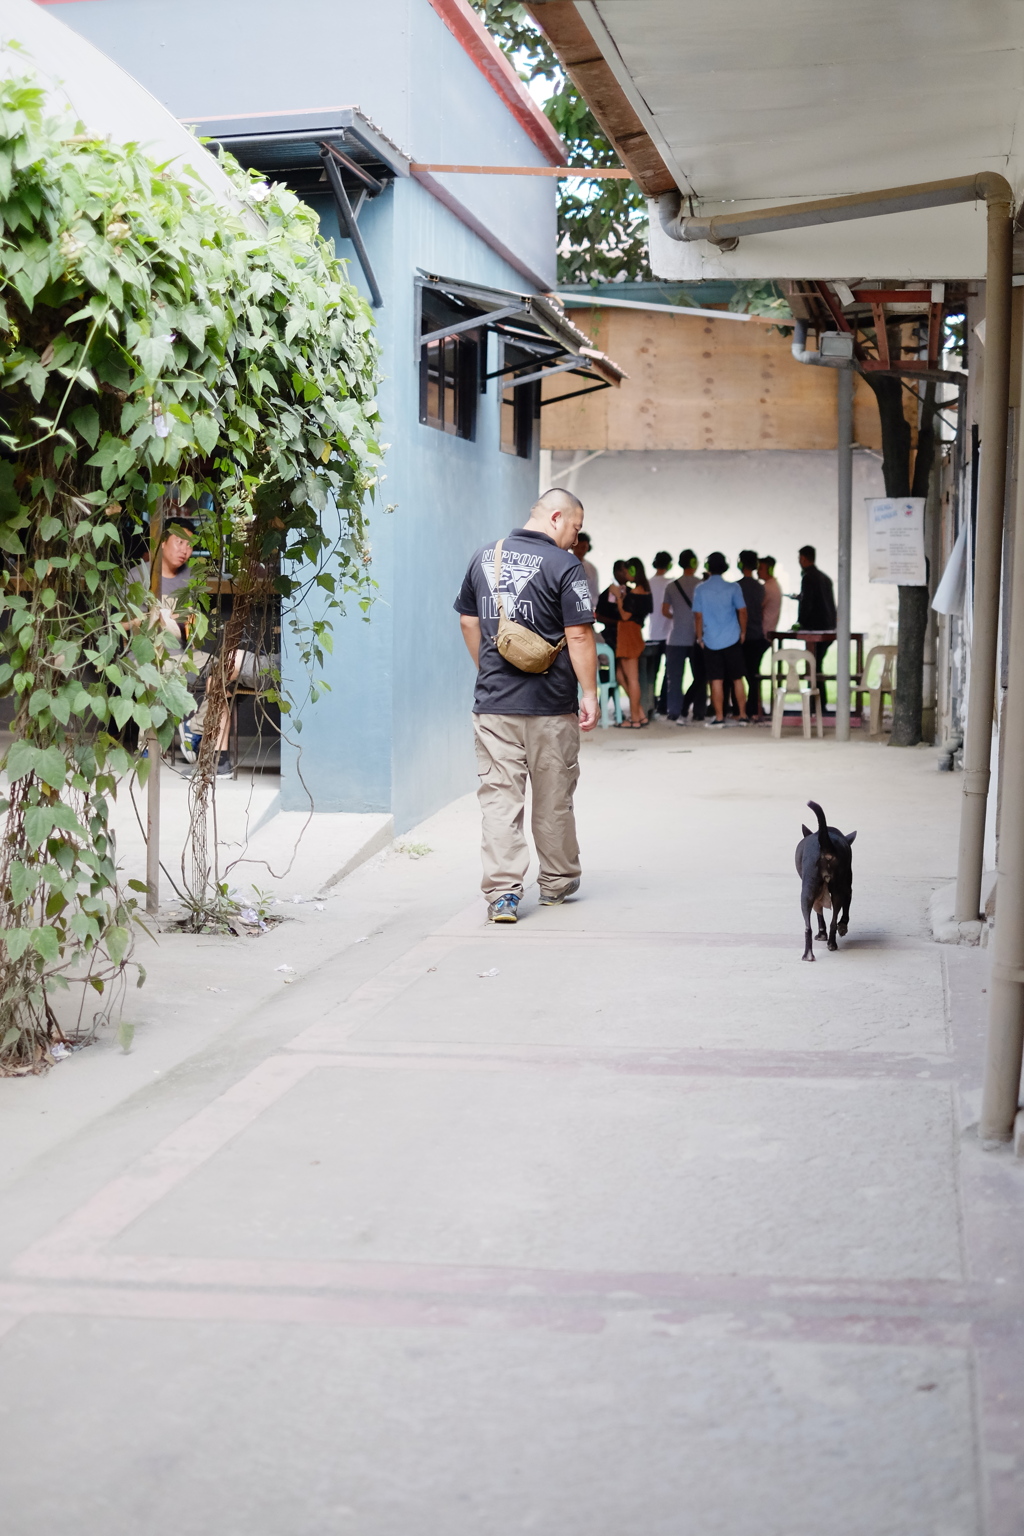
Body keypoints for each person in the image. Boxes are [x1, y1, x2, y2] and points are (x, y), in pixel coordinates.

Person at [454, 487, 598, 924]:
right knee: (554, 796)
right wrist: (589, 693)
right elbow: (578, 634)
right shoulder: (565, 565)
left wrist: (489, 672)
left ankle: (502, 894)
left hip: (494, 705)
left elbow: (467, 619)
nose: (576, 537)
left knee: (499, 799)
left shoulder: (485, 556)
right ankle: (555, 883)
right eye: (575, 527)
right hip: (550, 707)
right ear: (556, 517)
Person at [692, 551, 749, 728]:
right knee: (737, 678)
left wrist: (700, 637)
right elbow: (742, 611)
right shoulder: (734, 588)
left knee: (716, 680)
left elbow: (698, 616)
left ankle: (719, 717)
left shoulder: (700, 589)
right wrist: (743, 632)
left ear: (708, 567)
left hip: (711, 640)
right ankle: (743, 714)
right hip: (732, 637)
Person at [662, 548, 703, 722]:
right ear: (694, 563)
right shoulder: (701, 585)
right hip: (696, 637)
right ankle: (699, 711)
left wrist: (677, 617)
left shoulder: (671, 586)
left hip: (676, 637)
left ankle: (674, 711)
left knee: (674, 678)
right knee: (700, 677)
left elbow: (665, 611)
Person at [612, 556, 653, 727]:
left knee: (632, 678)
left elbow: (625, 615)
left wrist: (619, 597)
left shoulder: (636, 593)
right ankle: (640, 714)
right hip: (632, 633)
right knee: (620, 675)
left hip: (629, 633)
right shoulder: (644, 591)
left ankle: (635, 718)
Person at [796, 544, 837, 707]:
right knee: (816, 665)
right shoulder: (824, 578)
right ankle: (818, 702)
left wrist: (801, 623)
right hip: (828, 626)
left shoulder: (808, 578)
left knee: (813, 665)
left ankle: (816, 702)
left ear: (804, 559)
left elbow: (808, 604)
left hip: (815, 629)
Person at [737, 549, 767, 721]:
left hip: (741, 636)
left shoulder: (737, 586)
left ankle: (739, 709)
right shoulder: (760, 587)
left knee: (737, 675)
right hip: (756, 634)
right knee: (753, 674)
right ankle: (754, 708)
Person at [643, 550, 673, 717]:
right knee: (669, 672)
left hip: (653, 632)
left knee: (651, 672)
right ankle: (663, 703)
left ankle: (650, 701)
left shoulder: (648, 583)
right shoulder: (671, 583)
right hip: (669, 633)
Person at [595, 560, 630, 652]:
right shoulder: (606, 594)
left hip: (629, 633)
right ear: (616, 572)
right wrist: (617, 623)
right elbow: (598, 616)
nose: (625, 574)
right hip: (610, 635)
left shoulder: (632, 592)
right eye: (623, 571)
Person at [573, 530, 600, 605]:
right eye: (578, 546)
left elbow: (594, 592)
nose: (580, 550)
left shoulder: (592, 569)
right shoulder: (564, 563)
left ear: (588, 548)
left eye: (583, 547)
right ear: (572, 545)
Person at [758, 554, 782, 637]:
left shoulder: (767, 588)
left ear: (769, 570)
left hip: (763, 631)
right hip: (770, 630)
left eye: (760, 568)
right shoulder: (775, 585)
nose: (758, 571)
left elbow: (758, 607)